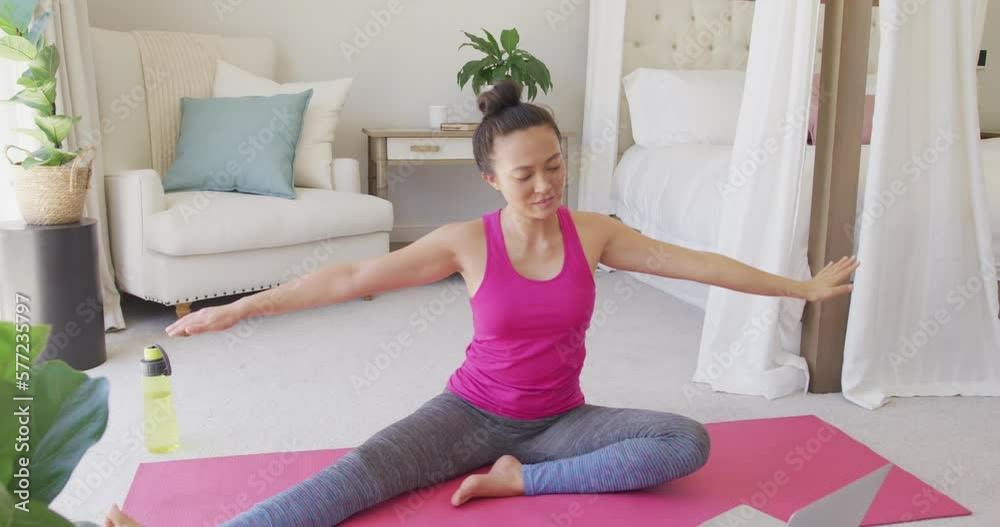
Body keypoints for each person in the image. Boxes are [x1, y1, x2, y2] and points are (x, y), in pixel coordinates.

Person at [104, 80, 859, 527]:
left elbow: (697, 263)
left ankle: (518, 479)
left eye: (555, 166)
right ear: (492, 180)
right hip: (468, 412)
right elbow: (349, 278)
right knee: (357, 474)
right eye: (525, 174)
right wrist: (240, 309)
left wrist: (802, 288)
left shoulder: (591, 232)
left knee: (684, 442)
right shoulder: (466, 242)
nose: (545, 185)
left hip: (561, 420)